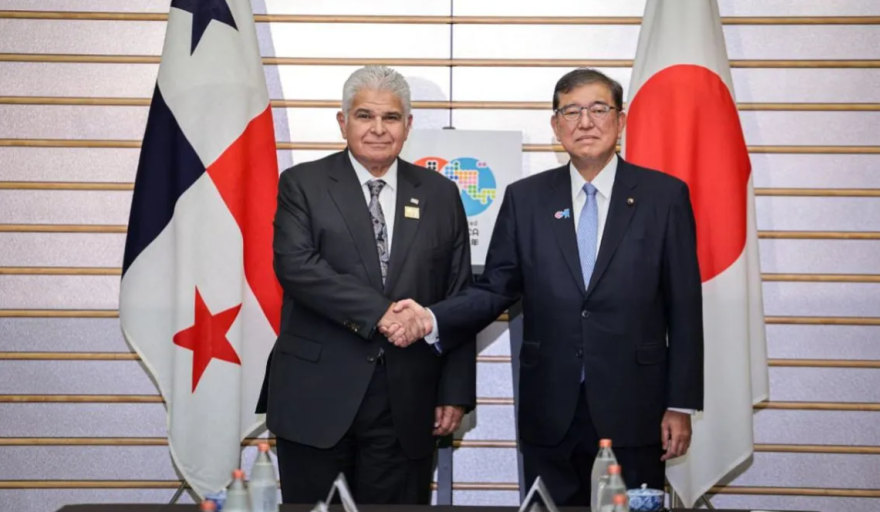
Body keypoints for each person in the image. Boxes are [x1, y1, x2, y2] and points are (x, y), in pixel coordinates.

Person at [383, 68, 704, 505]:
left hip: (636, 405)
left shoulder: (663, 197)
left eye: (598, 109)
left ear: (621, 120)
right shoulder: (526, 198)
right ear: (556, 125)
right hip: (551, 407)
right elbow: (495, 288)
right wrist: (430, 317)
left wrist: (680, 404)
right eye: (571, 111)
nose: (585, 122)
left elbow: (685, 307)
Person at [257, 65, 476, 505]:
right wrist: (381, 313)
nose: (378, 128)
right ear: (343, 122)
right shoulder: (303, 184)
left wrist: (454, 391)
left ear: (408, 125)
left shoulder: (440, 194)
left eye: (391, 117)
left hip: (408, 399)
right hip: (316, 395)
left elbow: (459, 295)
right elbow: (297, 267)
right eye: (364, 115)